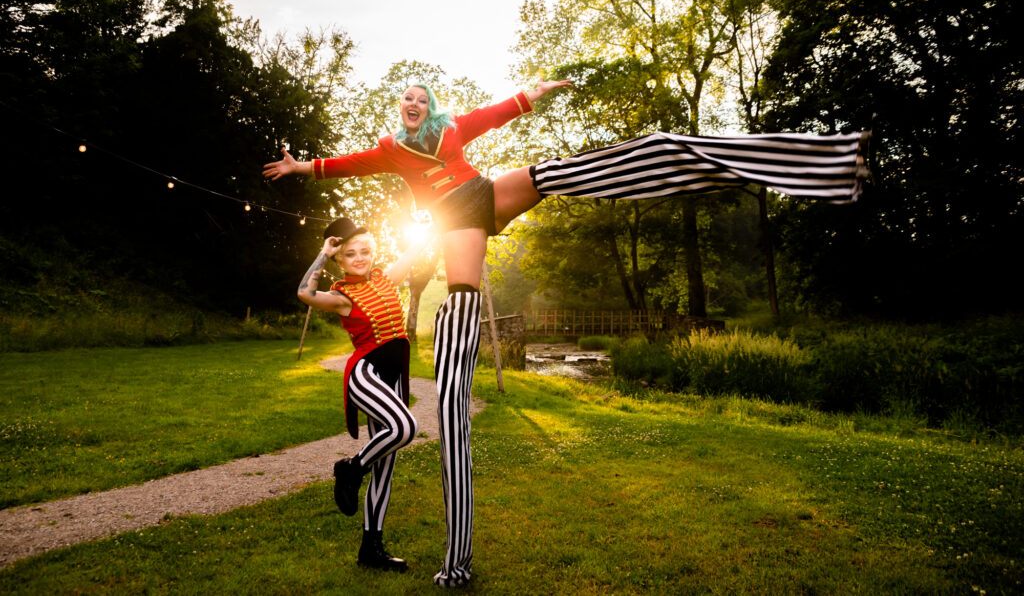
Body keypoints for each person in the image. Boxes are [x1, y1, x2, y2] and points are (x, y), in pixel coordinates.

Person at [269, 81, 869, 586]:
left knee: (576, 168)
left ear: (432, 104)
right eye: (406, 99)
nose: (414, 104)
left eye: (421, 97)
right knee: (452, 390)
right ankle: (457, 562)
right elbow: (343, 165)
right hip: (451, 219)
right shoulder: (392, 151)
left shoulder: (453, 131)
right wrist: (302, 167)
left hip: (482, 193)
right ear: (398, 109)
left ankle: (822, 163)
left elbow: (499, 110)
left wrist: (538, 93)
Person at [297, 216, 434, 573]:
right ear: (340, 261)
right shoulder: (341, 296)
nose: (360, 258)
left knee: (385, 469)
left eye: (366, 251)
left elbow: (418, 245)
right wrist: (323, 254)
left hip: (391, 379)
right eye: (351, 254)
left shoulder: (387, 279)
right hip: (365, 374)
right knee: (404, 428)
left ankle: (370, 550)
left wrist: (438, 210)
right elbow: (304, 294)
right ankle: (350, 467)